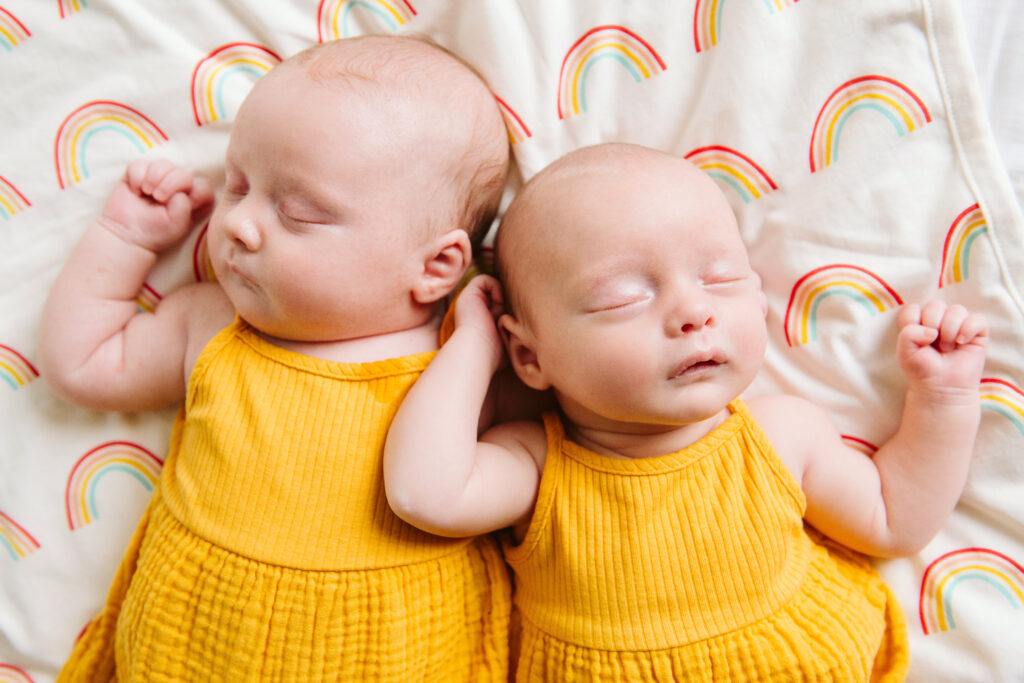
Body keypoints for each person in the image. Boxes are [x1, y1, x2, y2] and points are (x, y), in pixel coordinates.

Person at [383, 142, 990, 681]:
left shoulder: (779, 436)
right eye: (625, 297)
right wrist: (470, 347)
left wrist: (946, 399)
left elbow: (894, 520)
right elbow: (423, 494)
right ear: (528, 354)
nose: (692, 311)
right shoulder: (538, 466)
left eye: (720, 277)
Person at [39, 35, 512, 681]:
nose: (240, 223)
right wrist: (124, 239)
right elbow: (82, 362)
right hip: (193, 639)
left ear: (437, 266)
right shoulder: (211, 326)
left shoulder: (460, 359)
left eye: (297, 212)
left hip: (401, 646)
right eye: (237, 185)